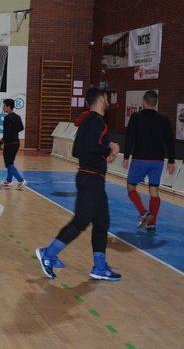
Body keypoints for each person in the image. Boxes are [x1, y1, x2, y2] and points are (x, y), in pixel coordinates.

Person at [36, 87, 122, 281]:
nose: (108, 100)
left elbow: (77, 150)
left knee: (102, 221)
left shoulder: (87, 121)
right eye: (107, 97)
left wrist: (104, 153)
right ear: (101, 99)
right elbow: (91, 147)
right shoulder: (96, 121)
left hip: (91, 178)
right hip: (91, 179)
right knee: (81, 221)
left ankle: (99, 267)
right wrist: (109, 149)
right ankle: (47, 255)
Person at [123, 90, 176, 233]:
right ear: (156, 103)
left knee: (131, 187)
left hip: (140, 159)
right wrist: (171, 160)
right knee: (154, 191)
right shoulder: (164, 119)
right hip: (157, 161)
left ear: (143, 102)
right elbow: (170, 141)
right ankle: (152, 223)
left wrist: (126, 156)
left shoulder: (136, 117)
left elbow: (129, 138)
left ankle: (144, 213)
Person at [0, 99, 26, 189]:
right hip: (16, 142)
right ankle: (8, 180)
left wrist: (2, 141)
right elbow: (21, 128)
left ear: (8, 107)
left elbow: (6, 132)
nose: (3, 107)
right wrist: (14, 132)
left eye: (4, 106)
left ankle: (21, 180)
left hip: (9, 143)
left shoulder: (7, 118)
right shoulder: (17, 117)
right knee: (10, 162)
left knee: (9, 163)